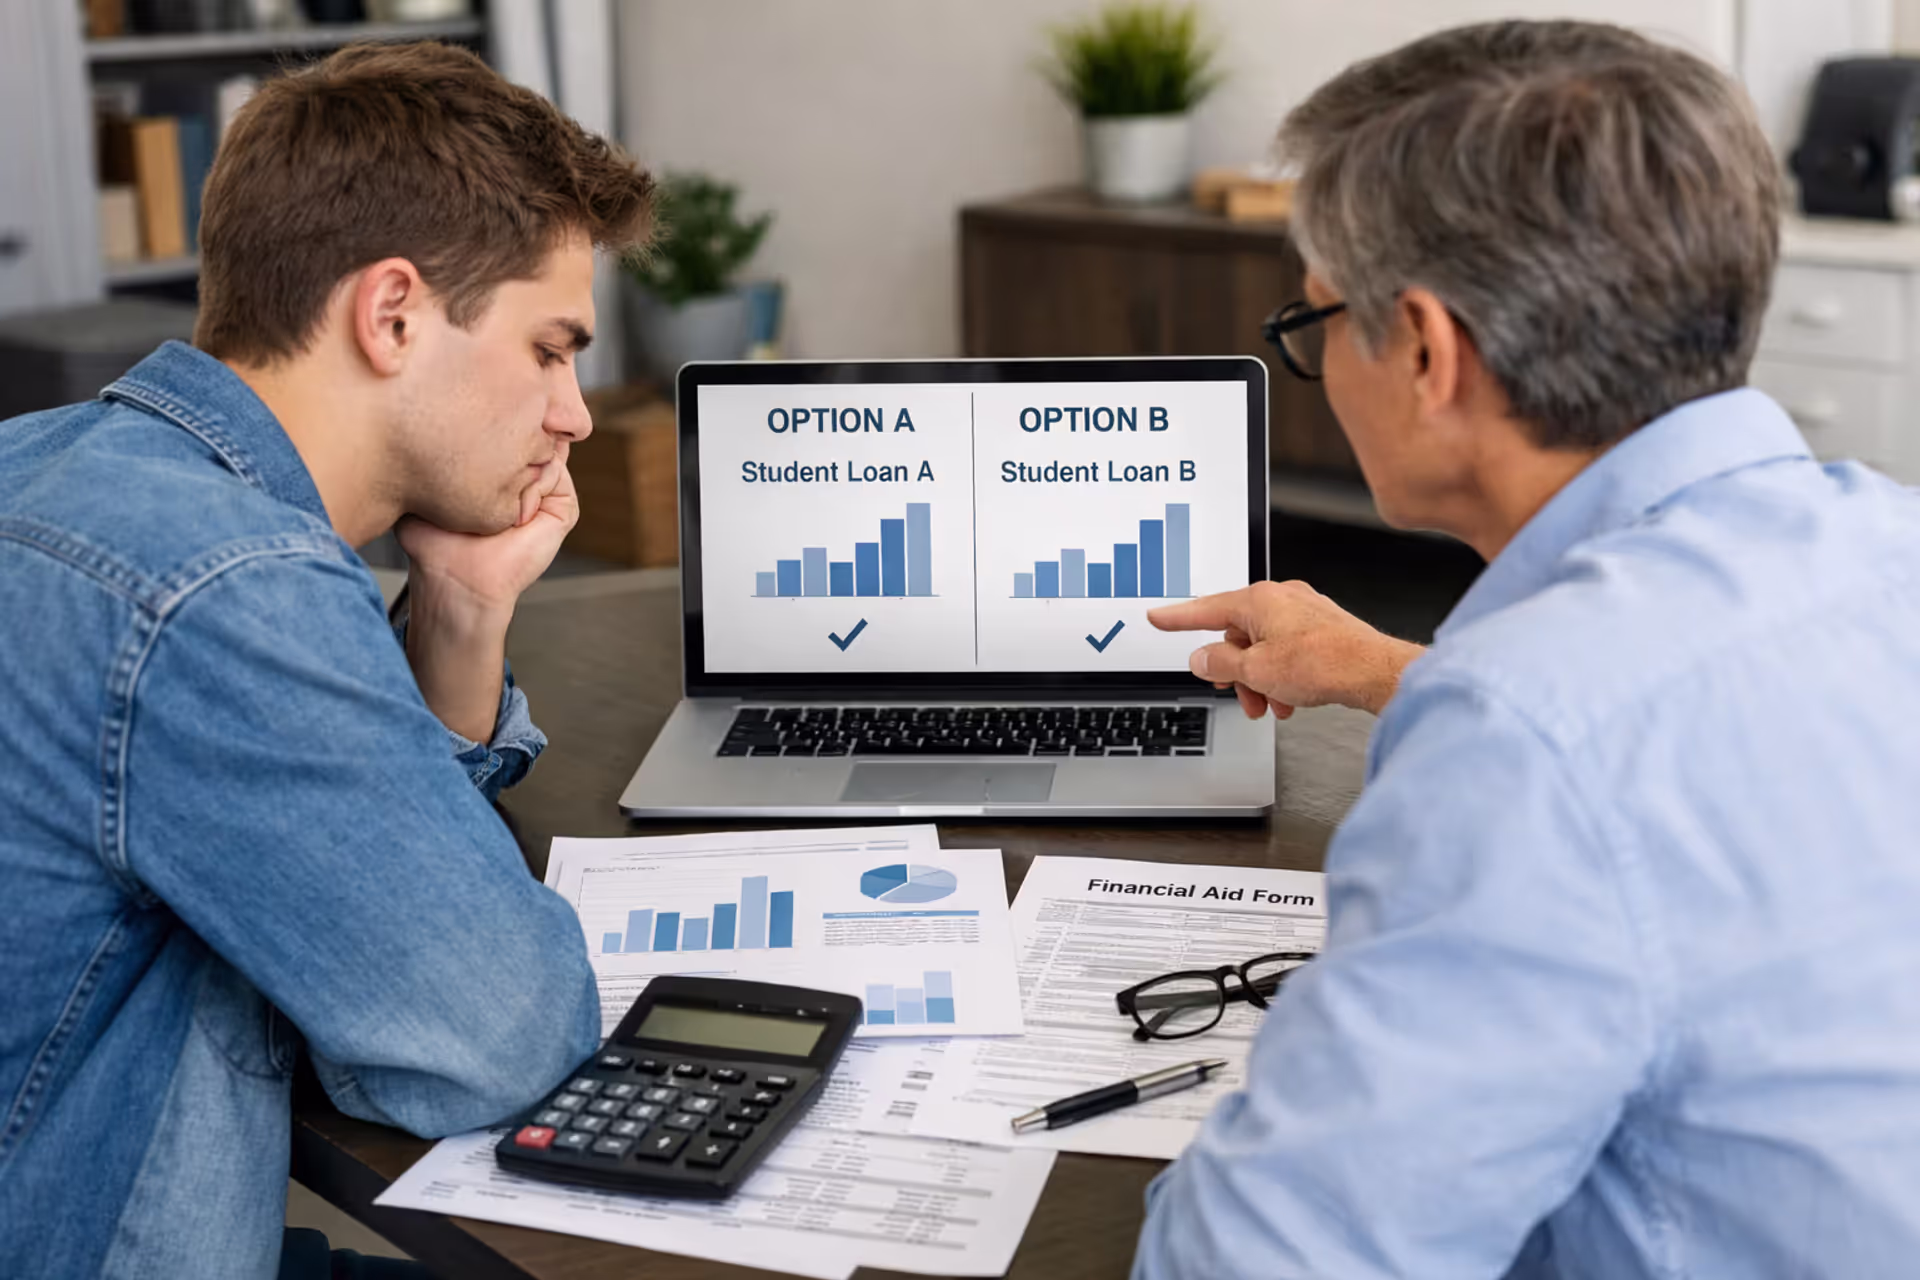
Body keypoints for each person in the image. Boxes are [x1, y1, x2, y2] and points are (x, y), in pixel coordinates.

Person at [1139, 20, 1920, 1280]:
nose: (1317, 356)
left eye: (1319, 315)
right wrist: (1389, 668)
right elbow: (1683, 748)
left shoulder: (1523, 738)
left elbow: (1259, 1262)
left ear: (1430, 352)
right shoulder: (1888, 542)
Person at [0, 42, 654, 1279]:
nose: (575, 410)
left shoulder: (40, 460)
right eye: (551, 347)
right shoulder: (224, 584)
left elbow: (351, 878)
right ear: (393, 311)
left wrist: (456, 617)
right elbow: (495, 1032)